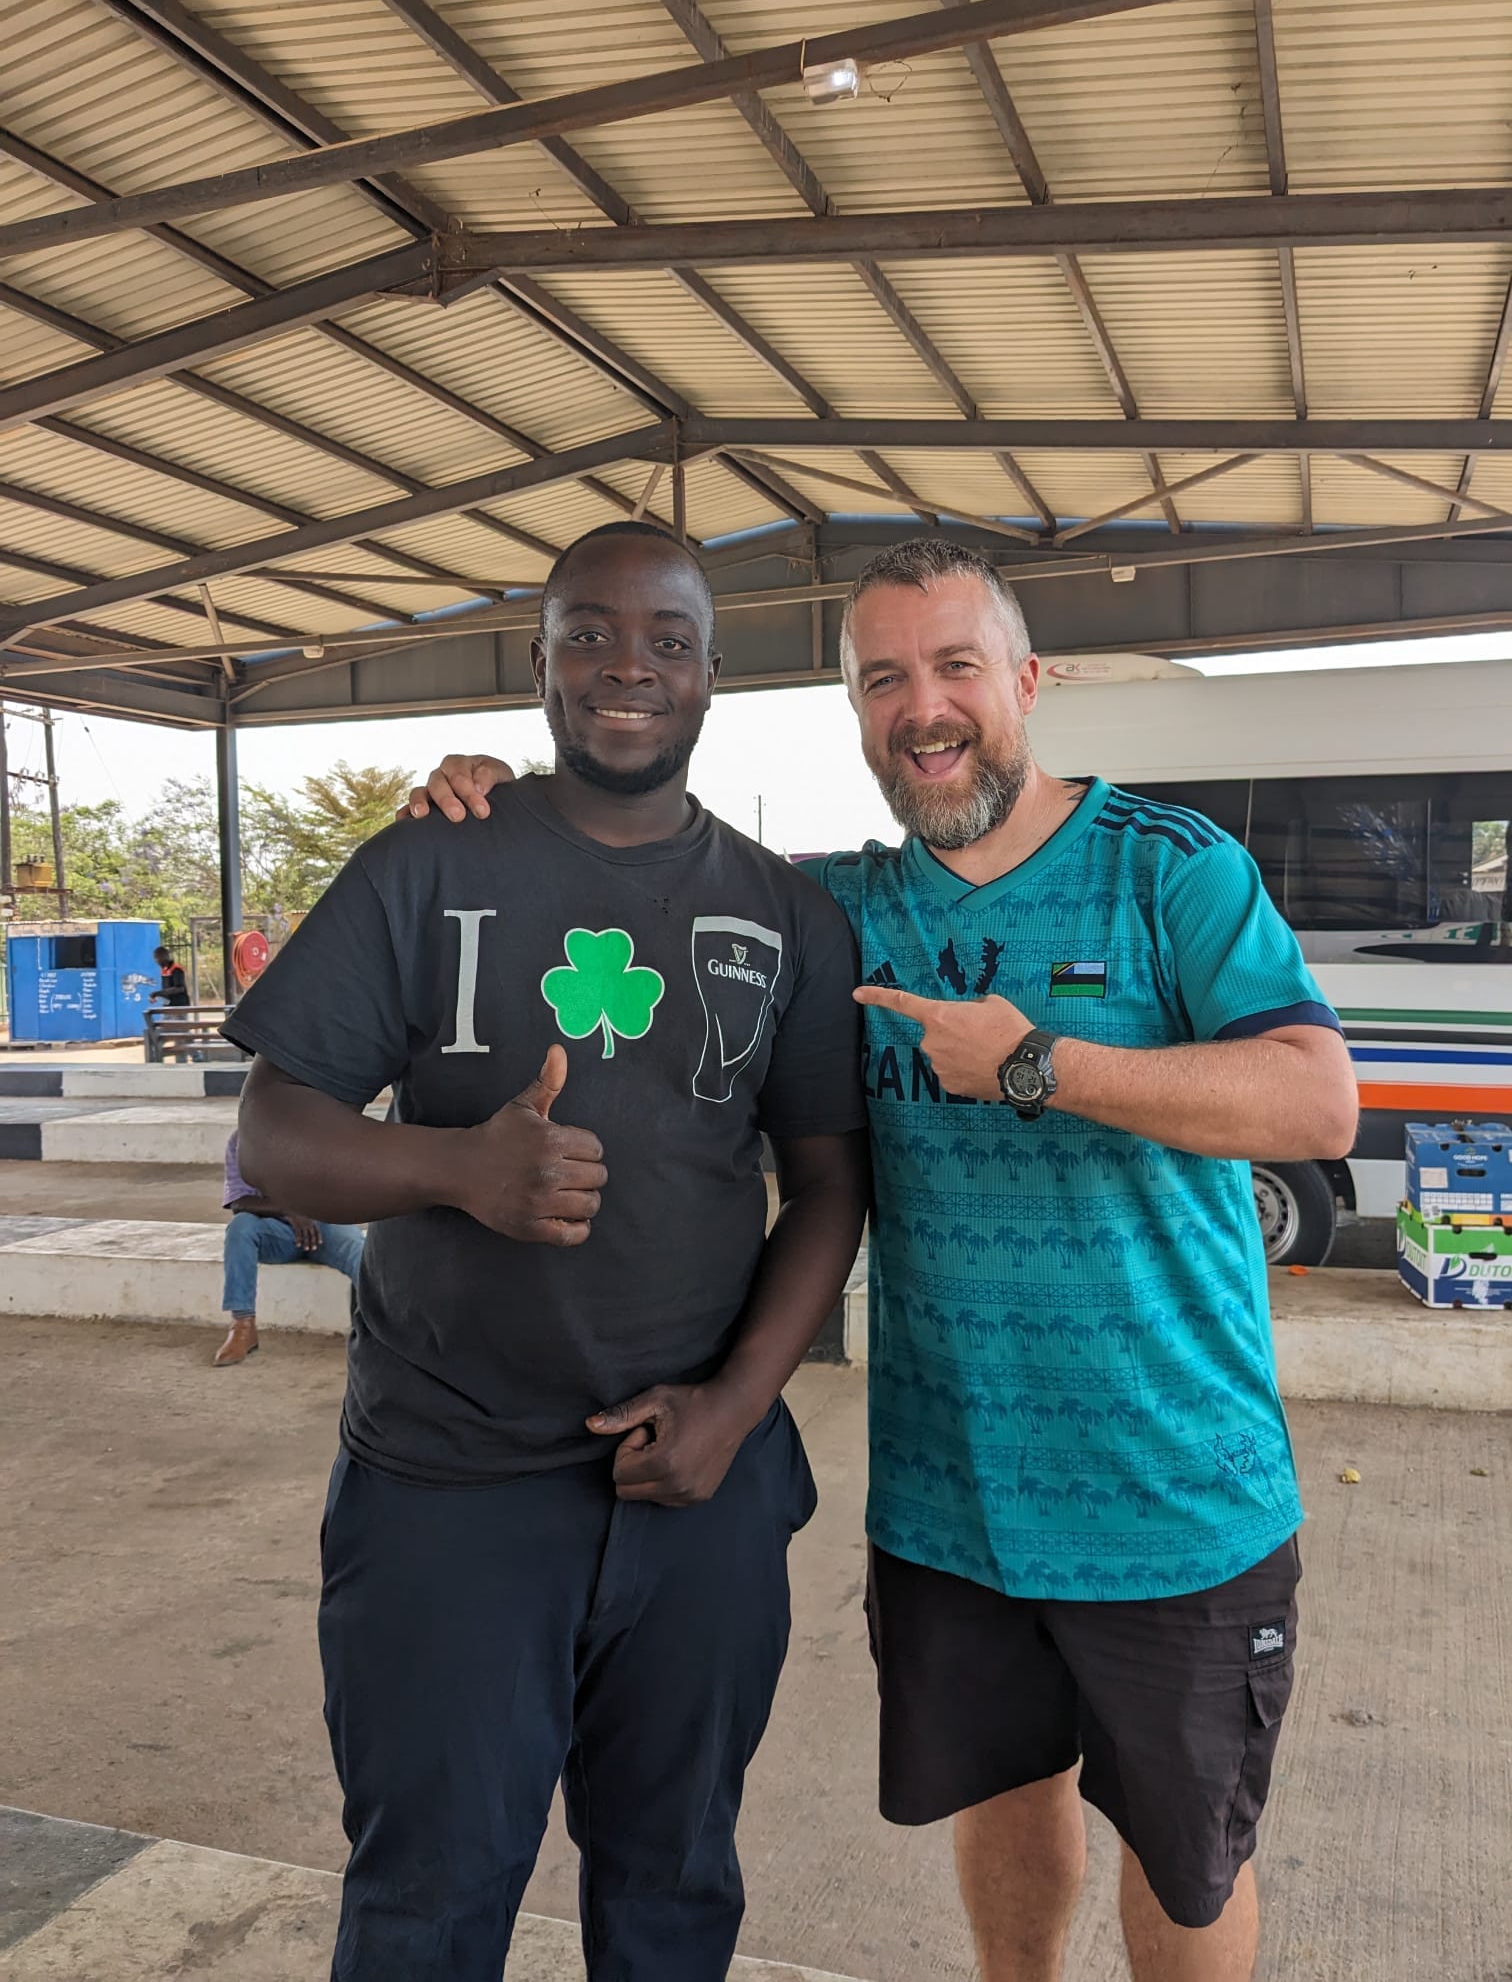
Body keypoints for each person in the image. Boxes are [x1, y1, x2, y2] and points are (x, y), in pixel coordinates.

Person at [411, 536, 1359, 1982]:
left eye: (956, 667)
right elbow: (646, 867)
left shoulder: (1170, 869)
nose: (923, 707)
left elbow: (1314, 1097)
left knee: (1187, 1852)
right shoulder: (838, 907)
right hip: (950, 1507)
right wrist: (498, 794)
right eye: (882, 679)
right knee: (1006, 1801)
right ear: (853, 709)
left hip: (1173, 1503)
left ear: (1027, 680)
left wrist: (1038, 1063)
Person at [224, 520, 869, 1982]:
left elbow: (827, 1186)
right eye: (587, 632)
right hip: (446, 1496)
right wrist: (461, 1171)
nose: (624, 666)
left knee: (674, 1892)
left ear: (712, 673)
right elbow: (276, 1128)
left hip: (698, 1497)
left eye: (665, 639)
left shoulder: (787, 913)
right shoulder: (426, 866)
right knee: (428, 1905)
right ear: (540, 660)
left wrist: (736, 1409)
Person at [216, 1132, 365, 1366]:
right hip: (277, 1232)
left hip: (324, 1225)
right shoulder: (242, 1140)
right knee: (240, 1227)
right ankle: (242, 1326)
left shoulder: (320, 1132)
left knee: (362, 1255)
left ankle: (374, 1332)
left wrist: (310, 1213)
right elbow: (239, 1202)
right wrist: (290, 1211)